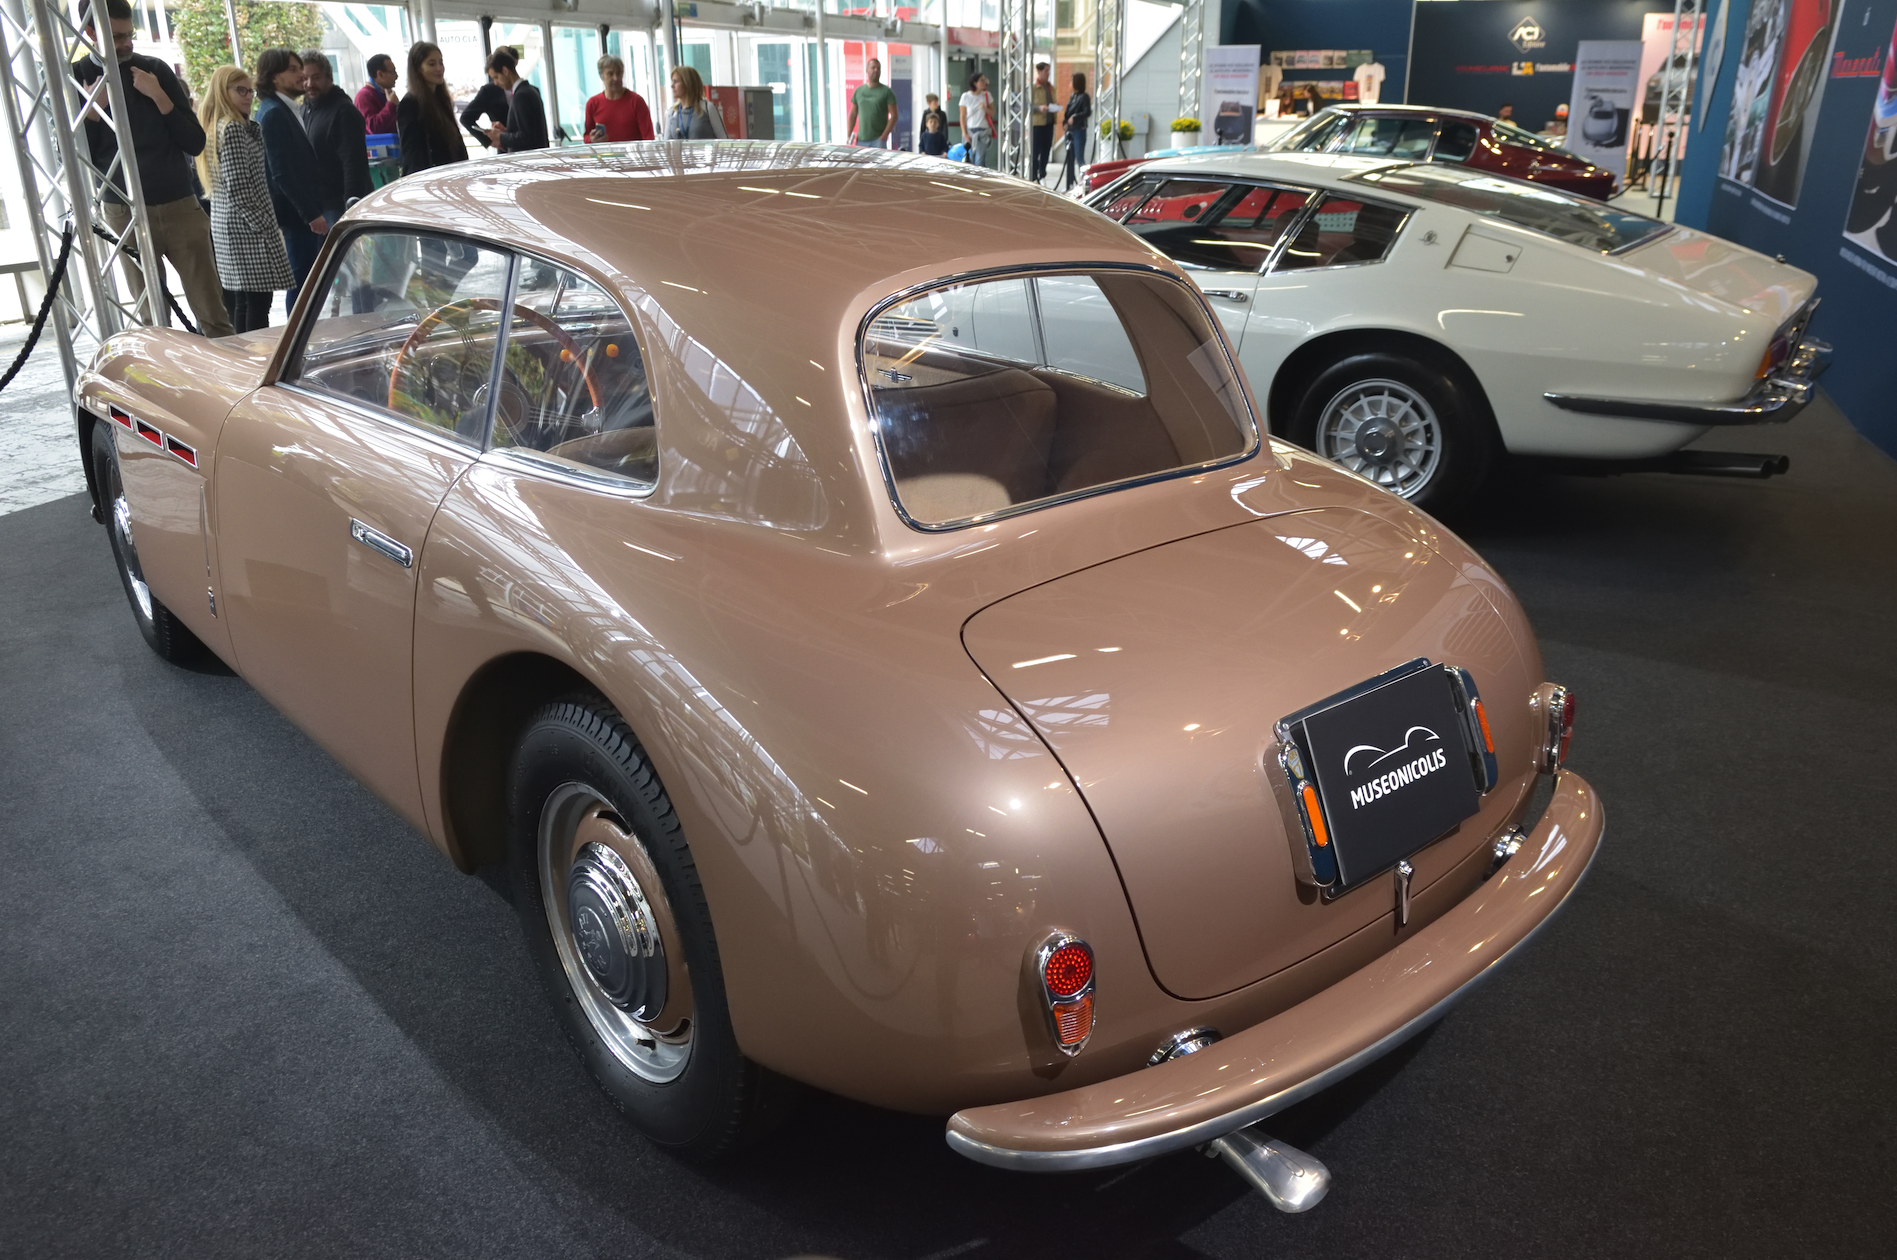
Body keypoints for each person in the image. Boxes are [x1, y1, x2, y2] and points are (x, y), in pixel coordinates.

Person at [73, 0, 233, 337]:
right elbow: (69, 158)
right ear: (90, 31)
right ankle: (166, 370)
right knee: (153, 319)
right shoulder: (75, 76)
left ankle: (227, 366)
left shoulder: (155, 70)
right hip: (123, 210)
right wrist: (91, 113)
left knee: (213, 312)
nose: (126, 44)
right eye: (116, 37)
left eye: (129, 34)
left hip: (180, 204)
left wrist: (161, 97)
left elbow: (195, 142)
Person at [195, 66, 291, 334]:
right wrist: (265, 226)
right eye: (241, 90)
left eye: (251, 91)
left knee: (245, 302)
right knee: (256, 303)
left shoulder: (218, 127)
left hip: (231, 226)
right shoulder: (233, 129)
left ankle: (246, 352)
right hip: (246, 228)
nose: (248, 96)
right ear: (222, 92)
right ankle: (253, 355)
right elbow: (239, 188)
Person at [253, 48, 327, 314]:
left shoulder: (285, 109)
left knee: (307, 280)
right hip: (296, 216)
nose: (301, 75)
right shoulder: (273, 113)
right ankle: (298, 335)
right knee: (302, 282)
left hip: (301, 213)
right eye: (293, 69)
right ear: (274, 77)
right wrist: (310, 213)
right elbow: (281, 172)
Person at [300, 51, 370, 229]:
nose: (310, 84)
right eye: (305, 78)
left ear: (329, 78)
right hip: (319, 204)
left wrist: (351, 204)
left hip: (339, 205)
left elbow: (353, 162)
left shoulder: (343, 111)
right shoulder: (305, 109)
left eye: (316, 77)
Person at [398, 41, 470, 175]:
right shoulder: (410, 103)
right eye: (432, 64)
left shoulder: (441, 99)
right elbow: (412, 153)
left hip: (450, 175)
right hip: (429, 179)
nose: (439, 68)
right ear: (418, 68)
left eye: (441, 63)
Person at [482, 46, 547, 153]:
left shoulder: (521, 96)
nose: (496, 83)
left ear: (505, 71)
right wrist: (506, 132)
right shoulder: (529, 91)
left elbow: (526, 138)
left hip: (527, 160)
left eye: (496, 77)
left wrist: (500, 136)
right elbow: (529, 132)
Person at [584, 54, 654, 142]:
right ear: (601, 76)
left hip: (633, 151)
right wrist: (591, 139)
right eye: (610, 74)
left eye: (619, 73)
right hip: (604, 151)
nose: (615, 78)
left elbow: (648, 138)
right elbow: (586, 136)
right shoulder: (593, 103)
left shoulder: (636, 102)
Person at [460, 48, 514, 149]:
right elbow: (466, 118)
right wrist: (488, 141)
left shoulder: (527, 91)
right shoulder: (489, 91)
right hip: (505, 149)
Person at [663, 66, 726, 139]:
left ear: (688, 83)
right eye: (672, 81)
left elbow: (723, 139)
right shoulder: (672, 113)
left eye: (676, 81)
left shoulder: (707, 108)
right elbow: (666, 143)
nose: (672, 86)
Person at [848, 56, 897, 149]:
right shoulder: (859, 91)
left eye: (878, 68)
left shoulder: (887, 92)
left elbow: (894, 115)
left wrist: (884, 135)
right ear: (867, 70)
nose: (876, 70)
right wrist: (849, 135)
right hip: (861, 140)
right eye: (873, 68)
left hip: (878, 140)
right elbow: (853, 114)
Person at [1059, 71, 1090, 191]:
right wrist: (1065, 123)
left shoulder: (1084, 97)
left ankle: (1085, 183)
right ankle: (1069, 184)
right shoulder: (1072, 96)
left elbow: (1087, 112)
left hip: (1079, 130)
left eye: (1072, 81)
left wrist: (1075, 118)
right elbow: (1067, 113)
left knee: (1079, 157)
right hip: (1070, 131)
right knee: (1070, 158)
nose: (1070, 83)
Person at [354, 52, 398, 134]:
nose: (396, 76)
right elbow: (373, 127)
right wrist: (391, 105)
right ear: (380, 74)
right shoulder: (363, 96)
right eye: (393, 72)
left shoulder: (387, 93)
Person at [958, 73, 993, 167]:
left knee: (979, 160)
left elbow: (992, 112)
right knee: (970, 159)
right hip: (970, 130)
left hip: (983, 131)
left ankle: (980, 175)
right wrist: (964, 133)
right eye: (981, 80)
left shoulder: (987, 95)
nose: (984, 82)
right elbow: (962, 116)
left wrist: (985, 108)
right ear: (975, 83)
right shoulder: (965, 96)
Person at [1029, 62, 1056, 182]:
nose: (1048, 73)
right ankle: (1033, 175)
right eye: (1046, 71)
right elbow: (1027, 105)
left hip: (1049, 123)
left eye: (1049, 71)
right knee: (1035, 151)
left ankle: (1042, 173)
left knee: (1046, 150)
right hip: (1037, 124)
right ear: (1039, 72)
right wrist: (1038, 108)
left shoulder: (1051, 87)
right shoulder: (1033, 88)